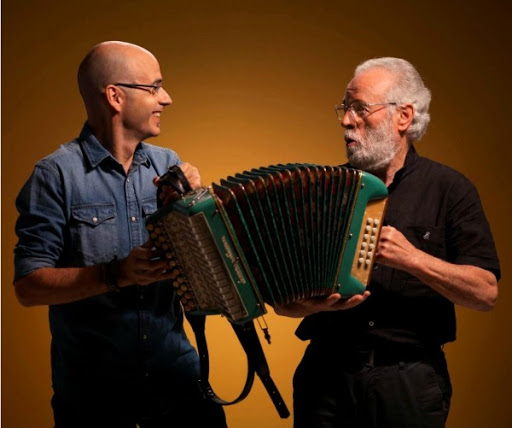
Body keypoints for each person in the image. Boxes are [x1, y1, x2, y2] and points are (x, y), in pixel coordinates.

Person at [275, 57, 500, 428]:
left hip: (408, 382)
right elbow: (285, 305)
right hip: (325, 377)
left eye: (360, 108)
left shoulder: (450, 189)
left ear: (404, 117)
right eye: (345, 109)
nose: (346, 121)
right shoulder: (322, 190)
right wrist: (309, 305)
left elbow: (486, 293)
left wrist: (414, 260)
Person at [14, 41, 227, 428]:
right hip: (94, 402)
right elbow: (28, 286)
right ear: (114, 96)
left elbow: (209, 269)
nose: (167, 98)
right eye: (154, 87)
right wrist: (117, 274)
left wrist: (196, 204)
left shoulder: (169, 165)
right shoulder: (55, 175)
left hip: (181, 389)